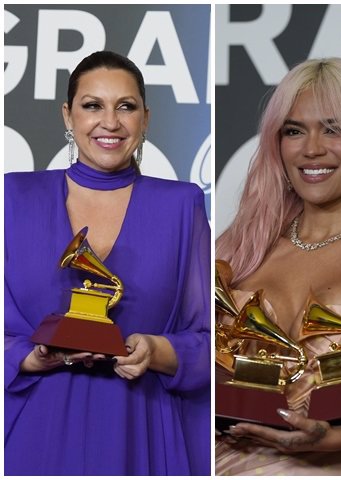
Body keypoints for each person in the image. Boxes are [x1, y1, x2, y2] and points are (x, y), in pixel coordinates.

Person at [4, 51, 211, 475]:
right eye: (92, 105)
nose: (110, 123)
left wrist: (156, 350)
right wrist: (28, 358)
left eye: (126, 107)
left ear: (146, 118)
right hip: (33, 433)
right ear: (68, 114)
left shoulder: (181, 205)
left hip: (142, 429)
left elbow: (210, 342)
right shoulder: (12, 198)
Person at [215, 57, 341, 475]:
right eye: (294, 130)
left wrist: (336, 438)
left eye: (333, 129)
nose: (312, 148)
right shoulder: (242, 246)